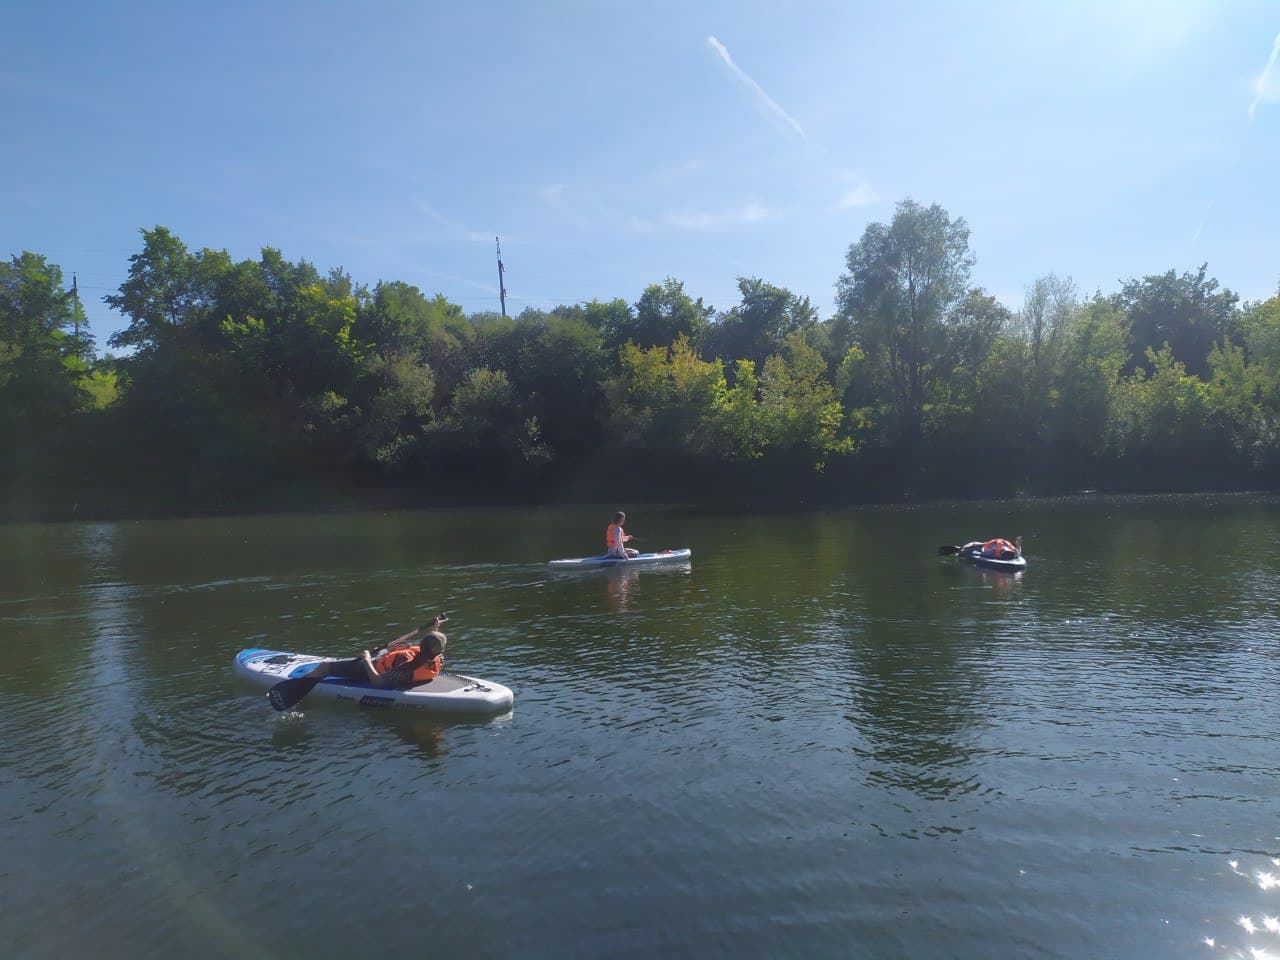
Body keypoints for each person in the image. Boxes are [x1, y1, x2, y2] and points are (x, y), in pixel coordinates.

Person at [304, 615, 448, 688]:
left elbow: (378, 682)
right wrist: (435, 628)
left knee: (324, 666)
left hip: (373, 669)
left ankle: (300, 683)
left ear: (423, 645)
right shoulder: (437, 658)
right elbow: (433, 645)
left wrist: (366, 660)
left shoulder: (406, 668)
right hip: (385, 658)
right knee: (402, 646)